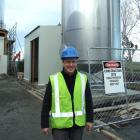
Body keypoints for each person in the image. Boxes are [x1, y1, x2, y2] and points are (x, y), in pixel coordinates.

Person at [41, 45, 93, 140]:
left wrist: (90, 120)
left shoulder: (83, 79)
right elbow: (46, 103)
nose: (71, 64)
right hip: (60, 127)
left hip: (78, 125)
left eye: (73, 61)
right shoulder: (54, 79)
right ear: (63, 62)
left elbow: (88, 101)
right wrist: (44, 124)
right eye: (68, 62)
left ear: (76, 62)